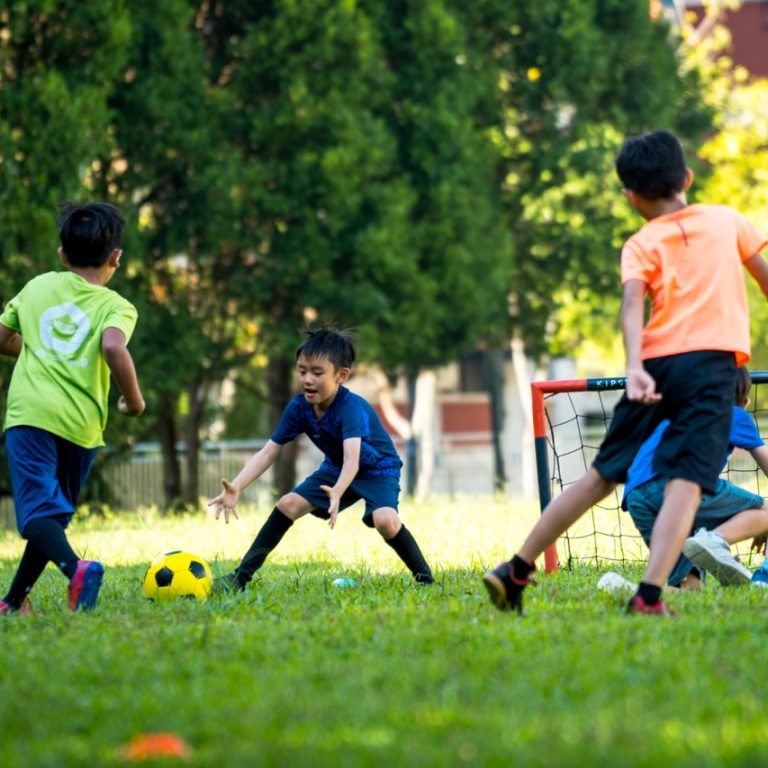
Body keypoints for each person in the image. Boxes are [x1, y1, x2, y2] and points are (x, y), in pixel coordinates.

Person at [483, 129, 768, 615]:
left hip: (655, 366)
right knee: (686, 479)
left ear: (630, 196)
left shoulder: (640, 242)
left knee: (599, 477)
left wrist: (635, 366)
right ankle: (649, 596)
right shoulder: (728, 222)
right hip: (710, 368)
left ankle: (516, 568)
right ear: (687, 177)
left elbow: (632, 303)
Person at [0, 202, 145, 614]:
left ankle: (75, 569)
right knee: (52, 519)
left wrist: (32, 348)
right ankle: (13, 601)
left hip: (31, 418)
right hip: (82, 426)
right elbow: (114, 345)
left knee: (38, 517)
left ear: (62, 255)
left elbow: (1, 336)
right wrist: (133, 402)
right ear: (116, 257)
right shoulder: (116, 305)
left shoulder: (37, 287)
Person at [208, 328, 434, 590]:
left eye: (317, 372)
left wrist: (339, 489)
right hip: (336, 467)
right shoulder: (298, 407)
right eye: (302, 371)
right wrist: (237, 485)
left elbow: (353, 458)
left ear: (342, 375)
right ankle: (239, 578)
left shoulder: (352, 408)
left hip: (377, 469)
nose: (307, 379)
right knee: (288, 503)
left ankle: (426, 579)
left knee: (386, 521)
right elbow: (269, 450)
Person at [623, 366, 768, 589]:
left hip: (635, 497)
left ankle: (631, 592)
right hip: (677, 484)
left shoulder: (680, 410)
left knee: (691, 586)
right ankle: (715, 541)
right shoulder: (733, 414)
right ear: (745, 403)